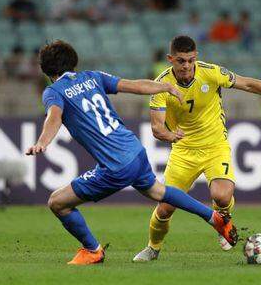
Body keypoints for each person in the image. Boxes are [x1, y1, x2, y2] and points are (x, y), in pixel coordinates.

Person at [25, 40, 238, 265]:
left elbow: (54, 117)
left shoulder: (53, 91)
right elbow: (135, 86)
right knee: (159, 192)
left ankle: (92, 250)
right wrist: (163, 86)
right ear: (73, 63)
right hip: (135, 151)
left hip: (115, 166)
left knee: (57, 202)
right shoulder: (92, 77)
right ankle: (214, 217)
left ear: (47, 71)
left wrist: (42, 142)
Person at [133, 35, 261, 261]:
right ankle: (153, 247)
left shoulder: (211, 72)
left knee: (222, 195)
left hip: (215, 145)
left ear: (196, 57)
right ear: (170, 59)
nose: (186, 65)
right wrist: (170, 134)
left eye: (190, 60)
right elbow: (157, 128)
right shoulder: (161, 86)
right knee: (165, 208)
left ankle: (222, 222)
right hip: (183, 151)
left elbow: (247, 83)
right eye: (180, 61)